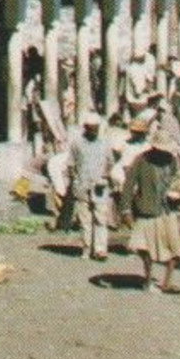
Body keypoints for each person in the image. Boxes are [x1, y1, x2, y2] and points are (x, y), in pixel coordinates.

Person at [118, 126, 180, 294]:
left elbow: (179, 181)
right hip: (147, 209)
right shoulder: (141, 160)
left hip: (168, 210)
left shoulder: (172, 160)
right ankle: (148, 278)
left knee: (173, 248)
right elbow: (128, 185)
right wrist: (125, 210)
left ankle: (167, 282)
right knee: (145, 249)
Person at [67, 111, 113, 260]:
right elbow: (71, 164)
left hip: (100, 186)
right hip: (82, 185)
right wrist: (74, 180)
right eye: (91, 128)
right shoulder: (77, 143)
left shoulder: (104, 143)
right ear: (85, 127)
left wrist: (105, 176)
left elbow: (110, 163)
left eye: (96, 128)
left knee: (101, 218)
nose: (94, 131)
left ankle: (100, 249)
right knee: (85, 220)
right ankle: (86, 248)